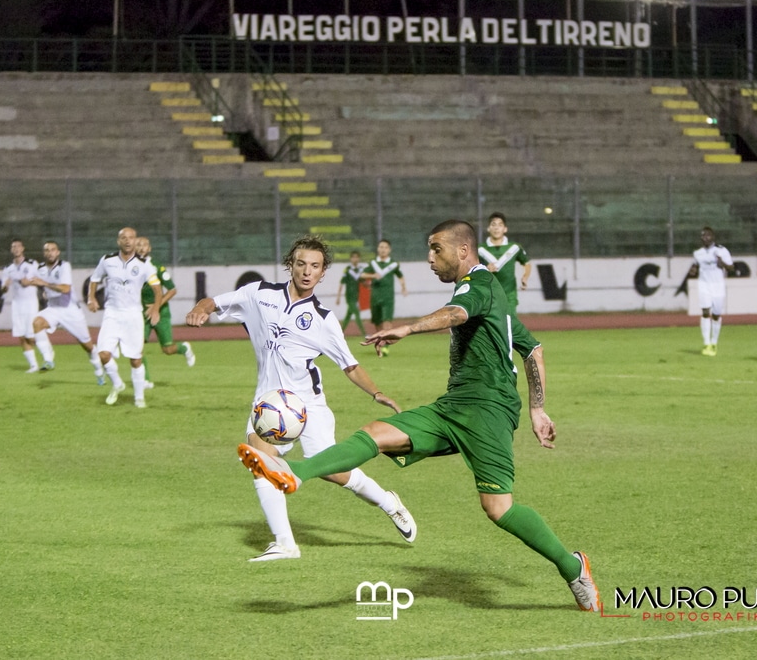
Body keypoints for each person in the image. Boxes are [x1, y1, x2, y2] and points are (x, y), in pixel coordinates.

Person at [238, 220, 600, 611]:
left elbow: (457, 313)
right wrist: (538, 407)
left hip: (488, 412)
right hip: (453, 405)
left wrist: (408, 328)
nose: (430, 258)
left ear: (462, 250)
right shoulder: (493, 295)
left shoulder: (477, 285)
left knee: (498, 508)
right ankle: (294, 474)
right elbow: (533, 349)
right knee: (375, 432)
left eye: (436, 249)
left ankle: (572, 566)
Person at [186, 235, 416, 562]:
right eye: (301, 264)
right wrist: (200, 308)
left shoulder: (323, 319)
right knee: (260, 460)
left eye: (315, 266)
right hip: (268, 404)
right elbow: (216, 302)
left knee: (333, 471)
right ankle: (285, 544)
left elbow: (349, 365)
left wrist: (377, 392)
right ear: (290, 265)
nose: (307, 271)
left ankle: (388, 503)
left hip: (308, 406)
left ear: (323, 274)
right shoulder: (259, 294)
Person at [87, 227, 163, 408]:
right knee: (103, 354)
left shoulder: (144, 264)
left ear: (135, 241)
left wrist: (156, 309)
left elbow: (157, 289)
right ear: (118, 241)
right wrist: (91, 298)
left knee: (135, 359)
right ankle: (118, 384)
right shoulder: (107, 260)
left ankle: (139, 397)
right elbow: (94, 278)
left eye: (131, 238)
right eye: (124, 238)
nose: (128, 241)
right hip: (112, 314)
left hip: (133, 315)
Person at [26, 240, 106, 384]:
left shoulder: (64, 266)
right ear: (44, 253)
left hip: (70, 310)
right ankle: (48, 359)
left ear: (58, 252)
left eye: (53, 250)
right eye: (47, 250)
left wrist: (44, 284)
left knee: (87, 346)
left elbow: (65, 289)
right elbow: (45, 287)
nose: (50, 253)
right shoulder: (41, 268)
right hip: (53, 308)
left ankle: (99, 371)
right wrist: (45, 292)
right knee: (37, 323)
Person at [134, 237, 195, 390]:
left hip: (161, 312)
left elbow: (172, 290)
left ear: (150, 249)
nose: (142, 248)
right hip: (142, 313)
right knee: (137, 347)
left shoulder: (157, 267)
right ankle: (145, 380)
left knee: (167, 349)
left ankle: (184, 348)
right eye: (138, 245)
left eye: (145, 245)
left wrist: (155, 307)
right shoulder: (131, 268)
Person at [688, 227, 734, 356]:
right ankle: (707, 343)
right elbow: (695, 265)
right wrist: (693, 270)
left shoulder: (721, 250)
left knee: (716, 315)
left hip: (718, 286)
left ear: (713, 237)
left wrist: (722, 263)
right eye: (703, 236)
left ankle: (714, 342)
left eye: (708, 235)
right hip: (704, 285)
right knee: (705, 312)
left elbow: (731, 267)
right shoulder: (698, 253)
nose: (706, 238)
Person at [0, 239, 40, 373]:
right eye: (13, 247)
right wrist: (5, 286)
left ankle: (47, 353)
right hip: (17, 304)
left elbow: (35, 281)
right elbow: (3, 289)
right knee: (21, 335)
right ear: (11, 250)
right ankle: (33, 365)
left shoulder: (32, 264)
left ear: (23, 248)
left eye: (18, 246)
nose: (16, 249)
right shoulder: (8, 268)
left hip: (30, 303)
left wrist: (24, 281)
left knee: (31, 335)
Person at [361, 239, 407, 355]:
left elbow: (400, 275)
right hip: (375, 297)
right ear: (378, 249)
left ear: (389, 250)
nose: (383, 250)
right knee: (377, 322)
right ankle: (380, 341)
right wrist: (372, 276)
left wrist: (403, 287)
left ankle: (386, 346)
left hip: (388, 297)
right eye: (381, 247)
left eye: (385, 247)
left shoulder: (392, 265)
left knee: (387, 321)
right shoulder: (373, 264)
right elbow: (362, 275)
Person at [478, 212, 531, 309]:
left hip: (509, 294)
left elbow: (526, 263)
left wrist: (525, 277)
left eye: (500, 225)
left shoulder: (514, 247)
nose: (496, 228)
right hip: (488, 294)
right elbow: (471, 269)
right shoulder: (479, 249)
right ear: (488, 228)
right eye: (493, 224)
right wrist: (485, 269)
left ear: (505, 229)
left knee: (509, 322)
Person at [335, 250, 367, 336]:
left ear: (359, 259)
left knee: (348, 316)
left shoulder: (361, 270)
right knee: (357, 314)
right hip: (349, 296)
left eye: (357, 257)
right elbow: (342, 283)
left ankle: (339, 334)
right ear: (350, 259)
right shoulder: (348, 270)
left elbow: (364, 282)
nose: (355, 259)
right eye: (353, 257)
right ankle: (365, 334)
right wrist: (338, 297)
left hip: (357, 296)